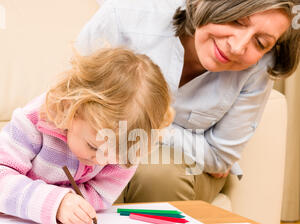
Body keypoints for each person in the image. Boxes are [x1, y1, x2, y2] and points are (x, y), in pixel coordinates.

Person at [76, 0, 300, 204]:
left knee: (160, 173)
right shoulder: (125, 17)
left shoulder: (259, 67)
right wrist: (190, 140)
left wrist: (135, 125)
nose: (238, 46)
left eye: (260, 42)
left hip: (182, 171)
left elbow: (219, 157)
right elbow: (76, 106)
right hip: (99, 149)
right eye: (237, 21)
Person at [0, 47, 173, 224]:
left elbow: (101, 195)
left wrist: (71, 206)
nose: (104, 160)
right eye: (94, 147)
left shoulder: (123, 148)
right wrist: (55, 203)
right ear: (70, 109)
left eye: (119, 154)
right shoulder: (33, 120)